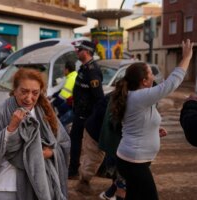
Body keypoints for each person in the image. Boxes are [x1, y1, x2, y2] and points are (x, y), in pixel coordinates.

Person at [111, 39, 194, 200]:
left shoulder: (137, 97)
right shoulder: (139, 97)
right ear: (144, 81)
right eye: (151, 73)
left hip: (133, 159)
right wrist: (187, 58)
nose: (154, 76)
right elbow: (171, 84)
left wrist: (153, 132)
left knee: (134, 196)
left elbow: (136, 123)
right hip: (134, 161)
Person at [0, 68, 70, 200]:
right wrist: (11, 128)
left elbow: (63, 143)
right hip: (7, 185)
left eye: (35, 93)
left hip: (41, 186)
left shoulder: (46, 114)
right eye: (24, 92)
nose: (29, 98)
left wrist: (50, 153)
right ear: (15, 90)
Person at [68, 40, 104, 179]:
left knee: (78, 140)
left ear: (87, 52)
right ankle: (75, 169)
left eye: (80, 49)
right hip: (80, 111)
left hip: (86, 113)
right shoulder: (83, 68)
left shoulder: (92, 71)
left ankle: (73, 170)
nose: (77, 51)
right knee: (77, 140)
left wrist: (93, 116)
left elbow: (98, 97)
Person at [52, 61, 77, 127]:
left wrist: (52, 104)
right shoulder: (73, 76)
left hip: (73, 108)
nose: (63, 71)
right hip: (73, 106)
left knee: (60, 124)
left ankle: (63, 137)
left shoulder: (71, 79)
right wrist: (53, 95)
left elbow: (63, 96)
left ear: (67, 69)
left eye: (64, 69)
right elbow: (62, 90)